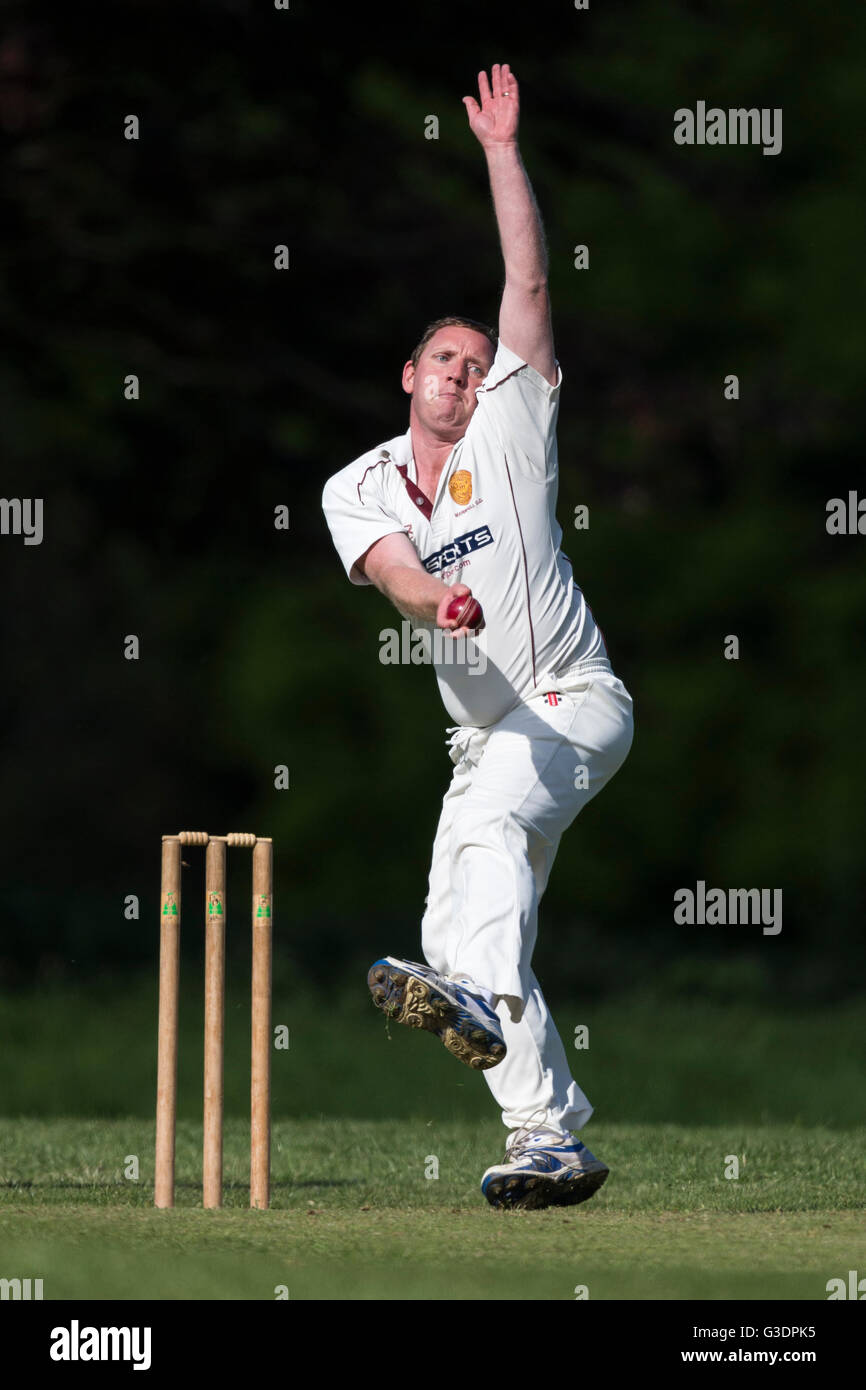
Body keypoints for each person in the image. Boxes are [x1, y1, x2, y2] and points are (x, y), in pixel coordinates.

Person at [322, 64, 633, 1210]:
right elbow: (396, 570)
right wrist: (431, 603)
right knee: (452, 925)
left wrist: (501, 151)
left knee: (489, 848)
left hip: (574, 696)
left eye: (475, 359)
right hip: (489, 727)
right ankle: (548, 1134)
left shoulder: (514, 416)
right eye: (441, 361)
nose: (462, 372)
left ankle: (493, 1040)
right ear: (408, 378)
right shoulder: (357, 483)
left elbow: (526, 275)